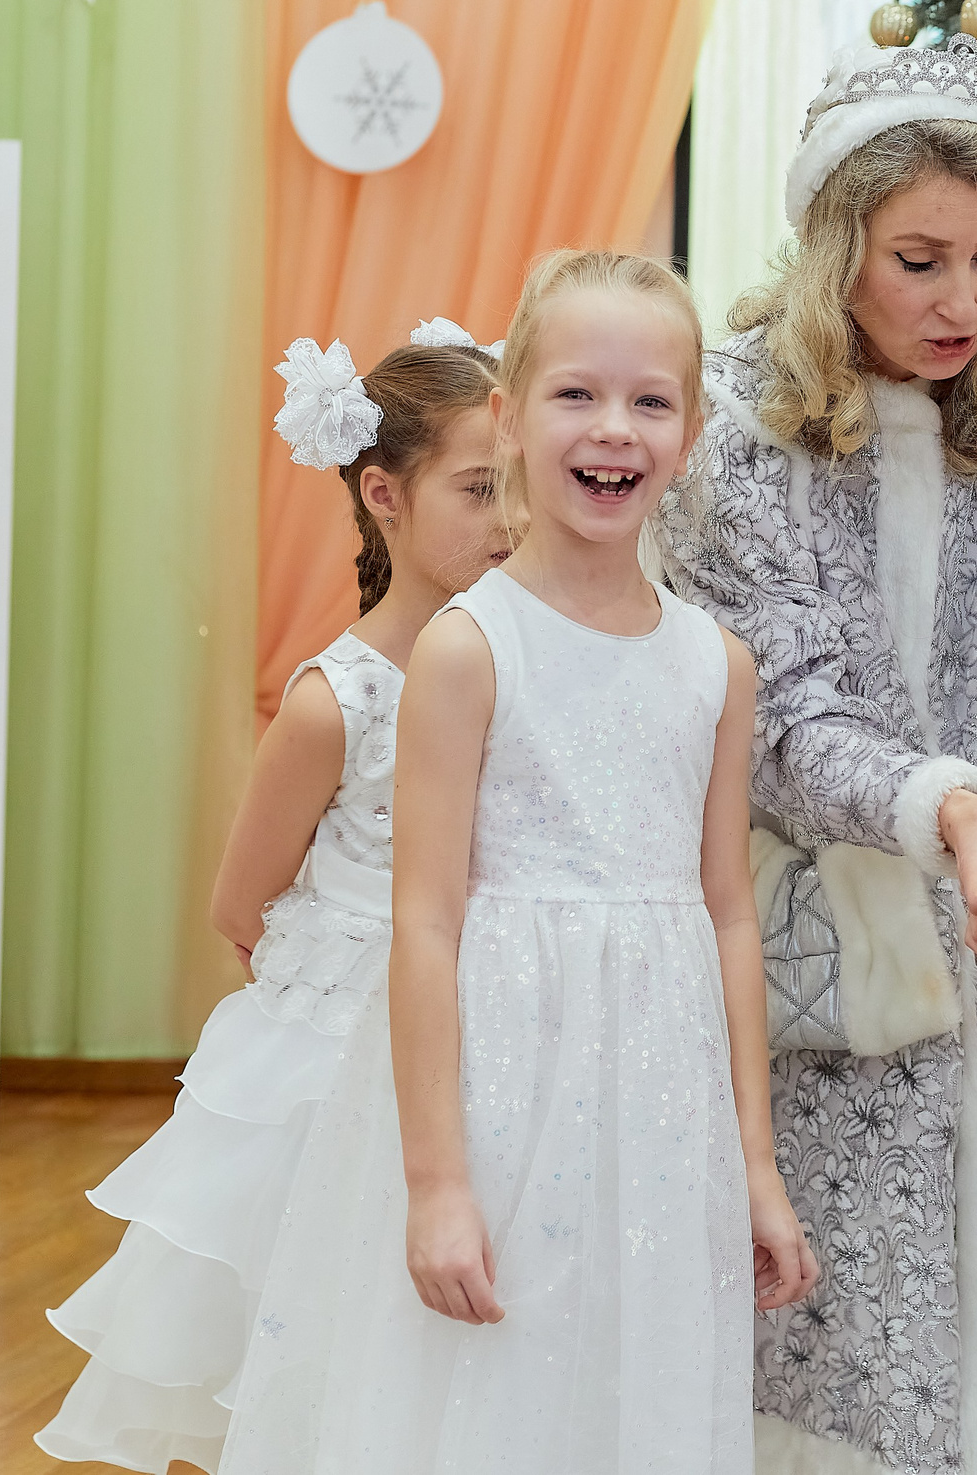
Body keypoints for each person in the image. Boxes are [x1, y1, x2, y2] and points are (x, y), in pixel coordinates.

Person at [219, 252, 818, 1475]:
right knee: (484, 1402)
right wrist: (437, 1183)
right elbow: (427, 923)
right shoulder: (467, 648)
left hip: (664, 1108)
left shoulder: (717, 664)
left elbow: (728, 918)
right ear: (509, 416)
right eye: (575, 395)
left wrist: (754, 1166)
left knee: (628, 1393)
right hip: (496, 1098)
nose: (615, 429)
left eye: (652, 400)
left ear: (692, 432)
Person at [659, 34, 977, 1474]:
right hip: (825, 915)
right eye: (920, 258)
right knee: (847, 1283)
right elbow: (781, 719)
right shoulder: (741, 425)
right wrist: (942, 805)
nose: (965, 300)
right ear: (834, 245)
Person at [35, 328, 509, 1471]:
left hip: (490, 1022)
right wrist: (337, 981)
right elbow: (241, 904)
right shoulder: (333, 701)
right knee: (326, 1312)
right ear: (384, 494)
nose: (511, 521)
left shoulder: (522, 662)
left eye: (525, 488)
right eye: (482, 488)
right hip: (333, 1048)